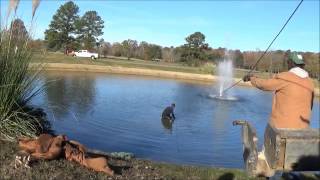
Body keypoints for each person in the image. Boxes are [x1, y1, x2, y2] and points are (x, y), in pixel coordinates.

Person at [243, 52, 314, 129]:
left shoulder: (285, 77)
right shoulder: (310, 83)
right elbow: (311, 106)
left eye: (288, 62)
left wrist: (251, 78)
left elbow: (264, 85)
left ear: (291, 63)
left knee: (269, 132)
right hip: (303, 129)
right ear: (302, 65)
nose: (287, 65)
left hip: (281, 128)